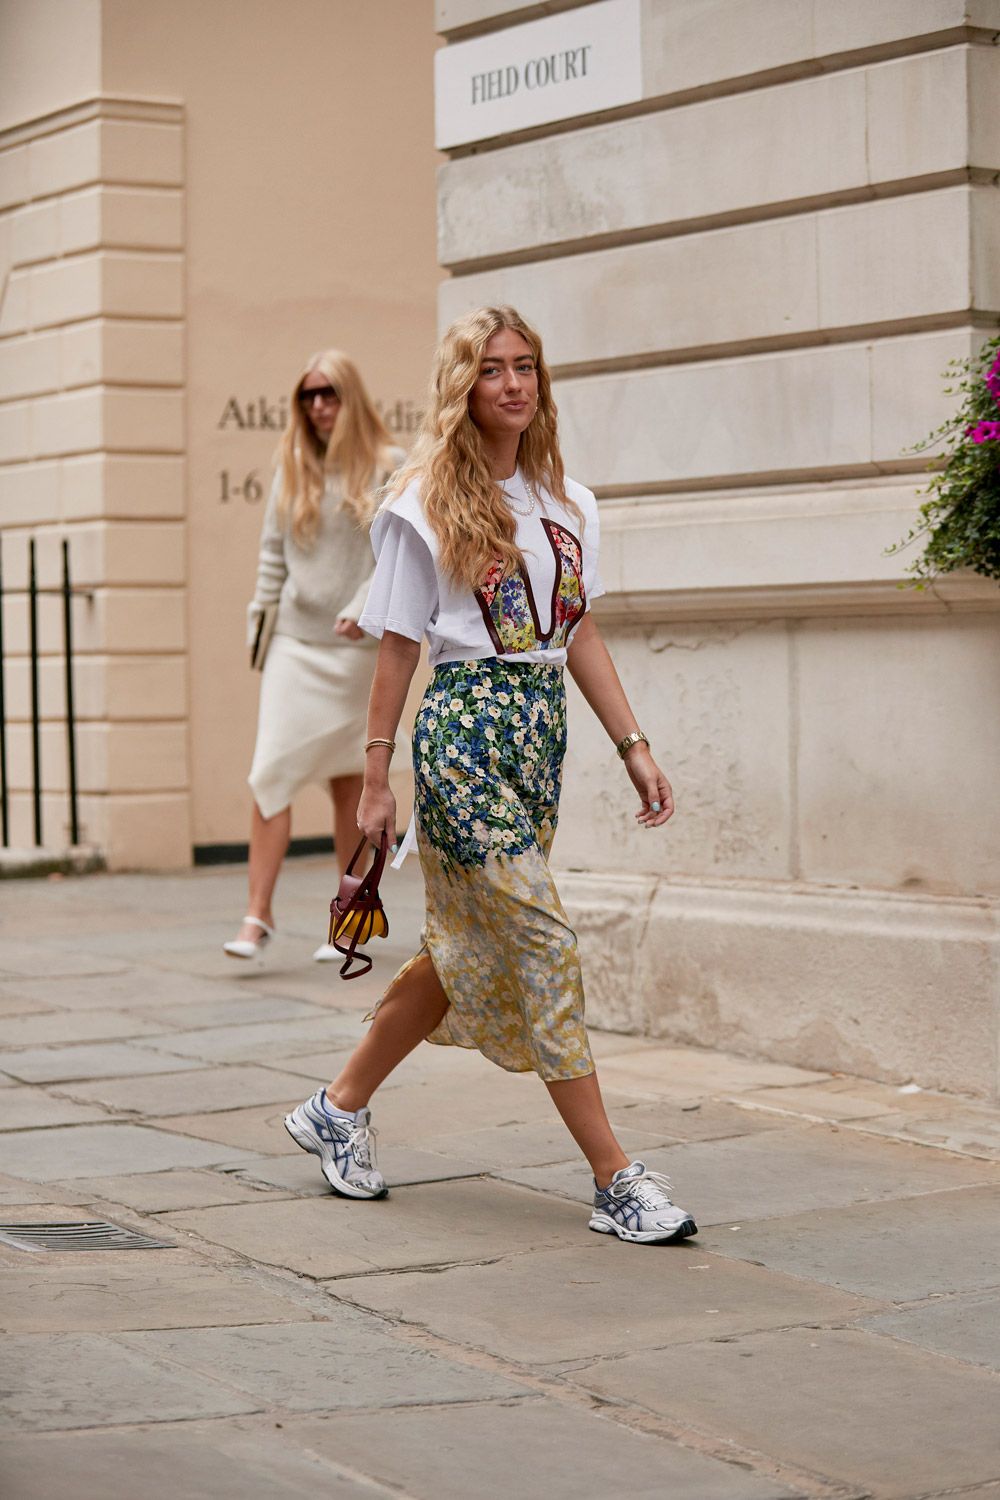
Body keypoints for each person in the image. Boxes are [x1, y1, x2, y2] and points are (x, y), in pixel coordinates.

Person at [284, 307, 697, 1243]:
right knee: (543, 942)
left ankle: (336, 1108)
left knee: (463, 952)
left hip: (539, 736)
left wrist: (635, 745)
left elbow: (577, 631)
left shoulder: (570, 504)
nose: (512, 384)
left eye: (526, 368)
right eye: (491, 370)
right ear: (462, 387)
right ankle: (614, 1180)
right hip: (463, 734)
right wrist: (378, 775)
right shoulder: (423, 497)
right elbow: (397, 643)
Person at [224, 350, 404, 964]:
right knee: (269, 774)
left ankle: (351, 920)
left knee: (347, 782)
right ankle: (257, 914)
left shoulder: (387, 466)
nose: (318, 406)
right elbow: (272, 557)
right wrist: (260, 624)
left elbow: (392, 556)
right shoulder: (292, 466)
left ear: (349, 396)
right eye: (307, 396)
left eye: (327, 393)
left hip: (354, 649)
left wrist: (361, 606)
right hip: (295, 646)